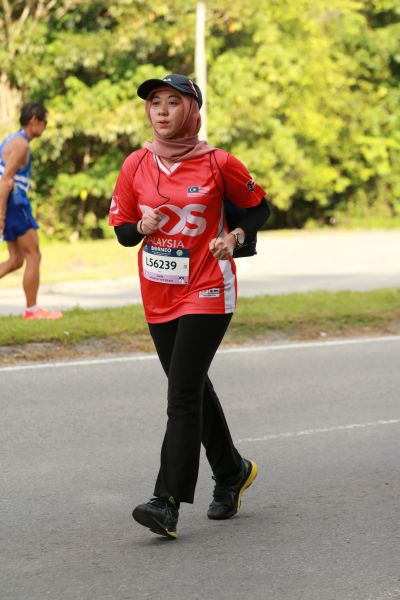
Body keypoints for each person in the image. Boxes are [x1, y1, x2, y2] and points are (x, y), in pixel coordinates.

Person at [109, 74, 270, 539]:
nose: (162, 111)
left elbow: (259, 207)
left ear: (193, 110)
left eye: (173, 102)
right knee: (191, 387)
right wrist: (141, 227)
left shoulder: (219, 163)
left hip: (208, 287)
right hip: (158, 292)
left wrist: (235, 236)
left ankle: (166, 501)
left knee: (181, 393)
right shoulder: (136, 164)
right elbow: (122, 231)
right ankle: (232, 471)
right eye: (155, 103)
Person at [0, 101, 62, 320]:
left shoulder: (13, 139)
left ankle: (32, 309)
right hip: (15, 205)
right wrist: (1, 215)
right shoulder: (21, 145)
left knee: (16, 260)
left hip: (12, 204)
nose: (45, 126)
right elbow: (5, 180)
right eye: (44, 122)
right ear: (34, 121)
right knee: (33, 255)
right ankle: (32, 310)